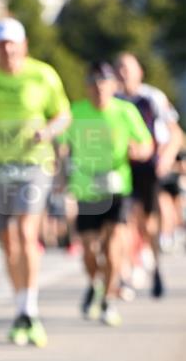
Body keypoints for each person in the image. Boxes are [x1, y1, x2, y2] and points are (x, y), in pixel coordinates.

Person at [0, 18, 70, 347]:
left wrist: (49, 132)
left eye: (12, 43)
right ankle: (21, 306)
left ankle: (30, 309)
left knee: (26, 233)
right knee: (9, 243)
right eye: (1, 45)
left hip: (33, 163)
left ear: (23, 45)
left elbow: (63, 113)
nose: (7, 50)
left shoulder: (43, 74)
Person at [64, 62, 152, 326]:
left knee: (113, 245)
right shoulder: (76, 111)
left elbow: (146, 143)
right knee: (90, 249)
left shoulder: (125, 111)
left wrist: (139, 151)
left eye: (104, 83)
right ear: (87, 88)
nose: (98, 89)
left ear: (114, 86)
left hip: (118, 187)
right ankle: (95, 284)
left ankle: (109, 299)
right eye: (93, 84)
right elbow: (60, 143)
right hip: (86, 188)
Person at [114, 52, 182, 297]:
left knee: (149, 223)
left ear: (139, 72)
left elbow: (175, 132)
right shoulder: (112, 98)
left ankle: (155, 266)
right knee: (126, 220)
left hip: (149, 167)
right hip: (121, 168)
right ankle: (126, 272)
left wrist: (165, 158)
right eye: (119, 68)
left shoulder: (152, 97)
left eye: (127, 69)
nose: (123, 73)